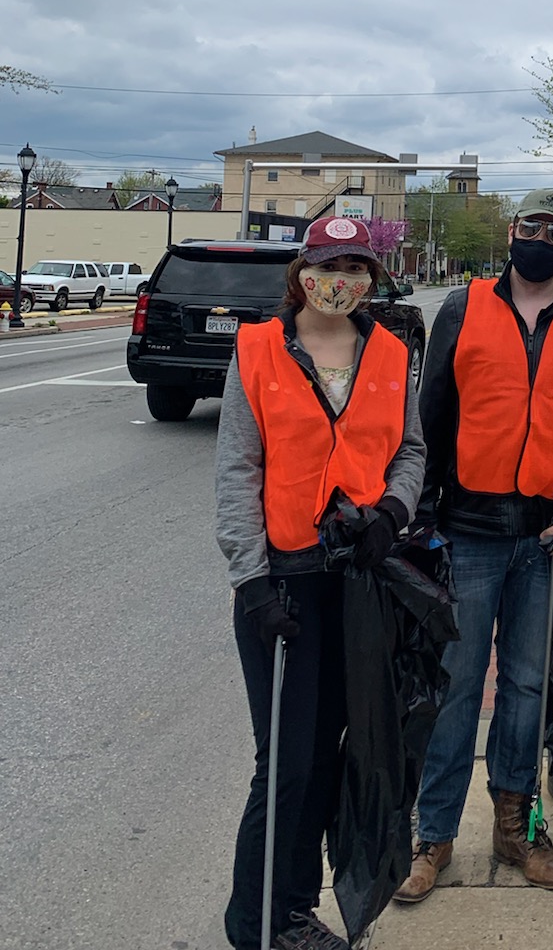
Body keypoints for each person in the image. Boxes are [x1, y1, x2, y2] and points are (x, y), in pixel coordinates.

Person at [396, 188, 553, 903]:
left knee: (527, 686)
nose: (540, 238)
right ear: (512, 232)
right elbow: (429, 420)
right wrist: (422, 522)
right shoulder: (462, 308)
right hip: (469, 532)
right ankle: (432, 837)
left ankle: (517, 826)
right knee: (457, 686)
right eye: (531, 226)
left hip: (546, 536)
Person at [215, 215, 426, 950]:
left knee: (336, 747)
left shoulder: (391, 352)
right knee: (286, 760)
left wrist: (392, 510)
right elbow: (238, 472)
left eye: (358, 267)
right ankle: (259, 923)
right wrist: (252, 584)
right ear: (302, 271)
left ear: (374, 277)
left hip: (358, 580)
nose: (342, 281)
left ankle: (297, 909)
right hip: (283, 584)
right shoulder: (258, 350)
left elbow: (411, 449)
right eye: (329, 265)